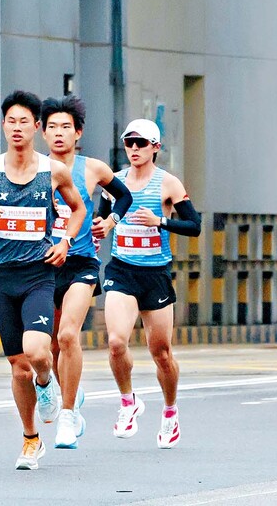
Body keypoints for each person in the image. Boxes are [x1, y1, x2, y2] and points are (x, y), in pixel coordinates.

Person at [0, 90, 86, 470]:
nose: (17, 128)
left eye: (24, 122)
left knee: (36, 352)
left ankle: (47, 382)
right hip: (1, 276)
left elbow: (78, 209)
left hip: (38, 274)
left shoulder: (53, 171)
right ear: (3, 125)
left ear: (36, 127)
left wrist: (65, 240)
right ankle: (31, 439)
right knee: (17, 366)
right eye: (10, 121)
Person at [93, 119, 201, 449]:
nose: (135, 149)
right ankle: (128, 402)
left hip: (155, 274)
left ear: (156, 147)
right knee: (115, 342)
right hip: (122, 271)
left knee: (161, 352)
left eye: (142, 143)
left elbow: (194, 226)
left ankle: (170, 412)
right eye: (130, 143)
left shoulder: (167, 184)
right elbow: (101, 218)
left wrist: (161, 222)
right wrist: (98, 231)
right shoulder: (115, 182)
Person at [40, 95, 133, 450]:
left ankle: (67, 416)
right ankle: (65, 393)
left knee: (67, 336)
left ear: (78, 133)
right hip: (42, 263)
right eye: (52, 128)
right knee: (46, 346)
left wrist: (109, 221)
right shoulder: (32, 168)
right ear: (42, 133)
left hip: (81, 262)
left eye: (66, 127)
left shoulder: (92, 168)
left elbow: (123, 196)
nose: (59, 134)